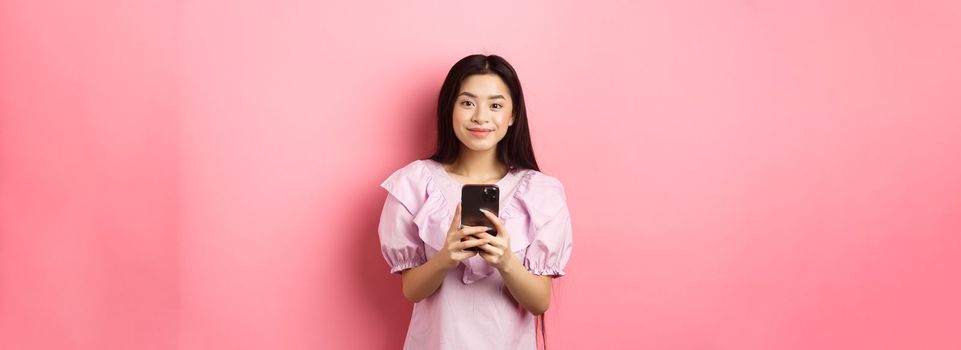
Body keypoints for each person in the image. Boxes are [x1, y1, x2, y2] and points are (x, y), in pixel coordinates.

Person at [377, 54, 573, 350]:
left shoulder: (541, 193)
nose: (481, 116)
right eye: (467, 102)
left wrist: (506, 262)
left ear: (512, 115)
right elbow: (412, 291)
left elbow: (539, 302)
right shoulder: (414, 184)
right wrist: (446, 257)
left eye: (495, 105)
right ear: (450, 109)